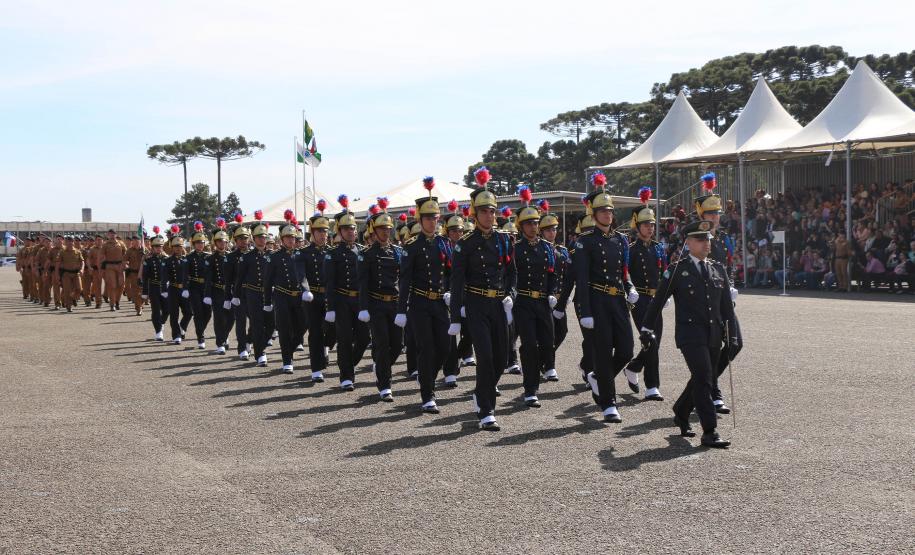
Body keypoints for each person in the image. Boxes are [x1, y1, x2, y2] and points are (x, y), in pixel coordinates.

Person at [639, 220, 736, 449]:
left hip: (713, 333)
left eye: (707, 239)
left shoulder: (717, 269)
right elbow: (658, 301)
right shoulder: (676, 270)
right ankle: (710, 431)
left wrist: (733, 335)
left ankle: (681, 410)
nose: (706, 244)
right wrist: (646, 328)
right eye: (700, 239)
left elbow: (726, 309)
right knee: (703, 376)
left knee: (705, 377)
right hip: (690, 333)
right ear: (688, 242)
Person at [449, 166, 516, 431]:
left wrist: (510, 295)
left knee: (501, 359)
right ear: (475, 214)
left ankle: (480, 393)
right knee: (486, 357)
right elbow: (456, 282)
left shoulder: (504, 241)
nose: (489, 215)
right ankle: (486, 410)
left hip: (499, 305)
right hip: (476, 304)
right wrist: (455, 316)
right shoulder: (464, 244)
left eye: (492, 211)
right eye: (484, 211)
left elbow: (512, 273)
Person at [573, 172, 638, 423]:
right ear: (593, 213)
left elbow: (624, 270)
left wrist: (630, 286)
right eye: (602, 211)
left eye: (609, 211)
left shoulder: (621, 240)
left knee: (626, 350)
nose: (607, 215)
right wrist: (585, 311)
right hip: (597, 301)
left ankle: (600, 378)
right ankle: (608, 404)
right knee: (602, 351)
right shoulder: (585, 242)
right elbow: (581, 279)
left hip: (618, 301)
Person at [397, 180, 454, 413]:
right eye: (429, 218)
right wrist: (402, 309)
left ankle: (428, 376)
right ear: (420, 221)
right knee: (426, 347)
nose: (433, 221)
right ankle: (428, 394)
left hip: (440, 302)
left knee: (445, 346)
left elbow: (451, 272)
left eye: (436, 218)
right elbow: (405, 279)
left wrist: (451, 292)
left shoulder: (444, 243)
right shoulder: (411, 246)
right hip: (419, 303)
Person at [511, 190, 558, 408]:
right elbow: (508, 275)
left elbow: (552, 274)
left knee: (547, 343)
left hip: (542, 302)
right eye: (528, 223)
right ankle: (530, 388)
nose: (532, 227)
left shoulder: (547, 248)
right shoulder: (514, 249)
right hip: (523, 302)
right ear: (521, 226)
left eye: (535, 223)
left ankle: (537, 372)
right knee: (529, 345)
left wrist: (552, 293)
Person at [695, 177, 738, 414]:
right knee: (711, 348)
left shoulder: (723, 239)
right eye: (710, 213)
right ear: (702, 215)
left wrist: (731, 285)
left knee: (734, 344)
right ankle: (713, 392)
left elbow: (727, 266)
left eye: (717, 213)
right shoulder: (694, 238)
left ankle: (706, 385)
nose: (715, 217)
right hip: (705, 303)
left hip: (724, 300)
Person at [623, 191, 669, 401]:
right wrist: (630, 289)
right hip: (639, 299)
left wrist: (666, 293)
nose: (650, 228)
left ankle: (633, 367)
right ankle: (652, 386)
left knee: (655, 340)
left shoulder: (659, 248)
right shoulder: (631, 250)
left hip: (655, 299)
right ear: (637, 226)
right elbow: (625, 272)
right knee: (649, 338)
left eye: (651, 224)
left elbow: (665, 273)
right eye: (645, 225)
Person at [359, 198, 405, 402]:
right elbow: (362, 283)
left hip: (394, 303)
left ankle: (380, 363)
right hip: (376, 304)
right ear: (373, 231)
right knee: (382, 341)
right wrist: (364, 308)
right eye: (382, 229)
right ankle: (385, 385)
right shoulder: (366, 254)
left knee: (397, 344)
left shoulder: (397, 252)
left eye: (388, 228)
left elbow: (403, 278)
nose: (386, 232)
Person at [324, 195, 370, 391]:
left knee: (364, 339)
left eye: (353, 228)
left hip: (359, 301)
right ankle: (346, 376)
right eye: (346, 229)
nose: (351, 231)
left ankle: (349, 364)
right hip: (342, 300)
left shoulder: (363, 251)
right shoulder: (333, 254)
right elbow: (330, 282)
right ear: (340, 232)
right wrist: (331, 307)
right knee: (343, 339)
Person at [264, 217, 307, 374]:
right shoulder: (274, 257)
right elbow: (267, 282)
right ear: (282, 239)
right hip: (282, 296)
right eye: (288, 237)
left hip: (299, 297)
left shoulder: (301, 255)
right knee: (284, 328)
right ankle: (287, 360)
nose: (291, 240)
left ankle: (291, 348)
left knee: (302, 326)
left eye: (293, 237)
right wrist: (267, 301)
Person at [300, 201, 334, 383]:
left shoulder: (332, 252)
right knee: (315, 332)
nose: (324, 235)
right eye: (320, 231)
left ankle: (326, 347)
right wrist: (305, 290)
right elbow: (301, 274)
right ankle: (316, 369)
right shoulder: (303, 253)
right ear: (312, 233)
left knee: (333, 329)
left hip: (330, 296)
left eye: (326, 231)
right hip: (312, 297)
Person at [441, 203, 473, 386]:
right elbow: (443, 273)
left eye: (460, 230)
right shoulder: (443, 247)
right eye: (453, 230)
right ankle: (450, 371)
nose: (457, 234)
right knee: (451, 335)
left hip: (468, 296)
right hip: (449, 297)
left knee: (470, 334)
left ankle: (459, 356)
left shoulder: (469, 247)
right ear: (447, 231)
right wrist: (447, 292)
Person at [234, 214, 271, 367]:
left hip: (269, 294)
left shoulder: (272, 255)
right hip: (252, 293)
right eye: (259, 237)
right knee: (257, 323)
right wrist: (235, 295)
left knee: (271, 325)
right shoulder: (247, 257)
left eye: (264, 237)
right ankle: (260, 353)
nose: (262, 239)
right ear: (253, 239)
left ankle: (251, 340)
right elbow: (239, 279)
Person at [538, 204, 569, 383]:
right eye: (548, 230)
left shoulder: (562, 251)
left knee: (562, 332)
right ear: (541, 232)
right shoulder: (540, 249)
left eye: (554, 229)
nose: (552, 233)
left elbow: (567, 276)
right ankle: (549, 366)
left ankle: (543, 359)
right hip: (542, 298)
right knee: (547, 334)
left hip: (558, 299)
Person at [204, 219, 234, 355]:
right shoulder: (210, 259)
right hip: (217, 291)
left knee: (231, 317)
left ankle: (225, 335)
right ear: (215, 243)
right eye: (220, 241)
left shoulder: (232, 257)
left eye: (225, 241)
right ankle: (220, 342)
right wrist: (207, 295)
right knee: (219, 318)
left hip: (230, 291)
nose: (223, 243)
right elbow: (208, 278)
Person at [226, 217, 252, 360]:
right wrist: (228, 298)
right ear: (235, 241)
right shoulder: (230, 258)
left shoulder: (254, 254)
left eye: (245, 238)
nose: (243, 241)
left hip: (254, 293)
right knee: (241, 322)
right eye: (240, 239)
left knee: (256, 322)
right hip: (239, 293)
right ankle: (242, 348)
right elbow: (228, 280)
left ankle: (249, 341)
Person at [185, 223, 212, 349]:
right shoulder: (189, 258)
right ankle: (200, 337)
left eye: (202, 242)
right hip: (194, 287)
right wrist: (185, 288)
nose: (200, 245)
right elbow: (185, 274)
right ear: (194, 244)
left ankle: (200, 329)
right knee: (198, 313)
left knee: (208, 314)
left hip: (206, 288)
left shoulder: (209, 256)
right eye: (197, 243)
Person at [165, 234, 193, 344]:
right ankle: (176, 335)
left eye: (180, 246)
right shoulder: (167, 261)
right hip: (173, 289)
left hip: (185, 290)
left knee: (189, 313)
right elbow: (165, 275)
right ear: (172, 247)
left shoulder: (187, 260)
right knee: (174, 314)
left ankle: (181, 327)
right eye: (175, 246)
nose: (178, 248)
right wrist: (164, 288)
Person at [141, 234, 169, 341]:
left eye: (160, 246)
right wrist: (145, 291)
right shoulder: (148, 260)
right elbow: (145, 277)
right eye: (156, 246)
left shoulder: (167, 259)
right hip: (154, 287)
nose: (158, 248)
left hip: (165, 288)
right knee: (156, 310)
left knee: (167, 310)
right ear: (152, 247)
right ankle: (158, 332)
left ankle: (161, 324)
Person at [100, 229, 127, 311]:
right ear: (108, 235)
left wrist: (125, 263)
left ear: (116, 234)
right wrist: (100, 269)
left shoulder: (121, 244)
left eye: (113, 234)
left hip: (119, 266)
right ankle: (112, 304)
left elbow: (125, 254)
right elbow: (101, 257)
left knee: (121, 285)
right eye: (110, 234)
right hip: (110, 266)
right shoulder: (105, 245)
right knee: (112, 286)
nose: (112, 235)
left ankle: (117, 302)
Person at [58, 236, 84, 312]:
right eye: (68, 241)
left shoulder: (77, 251)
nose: (70, 243)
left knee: (79, 289)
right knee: (67, 290)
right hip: (66, 273)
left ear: (73, 242)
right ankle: (68, 306)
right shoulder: (62, 252)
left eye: (71, 241)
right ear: (65, 243)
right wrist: (57, 274)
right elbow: (58, 263)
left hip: (76, 273)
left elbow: (82, 261)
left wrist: (82, 269)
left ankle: (73, 298)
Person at [124, 236, 145, 315]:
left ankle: (141, 304)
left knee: (144, 291)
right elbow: (124, 260)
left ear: (140, 241)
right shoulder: (129, 251)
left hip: (144, 274)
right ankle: (138, 307)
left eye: (137, 241)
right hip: (134, 274)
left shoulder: (144, 250)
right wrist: (126, 266)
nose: (135, 243)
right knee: (136, 292)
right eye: (134, 241)